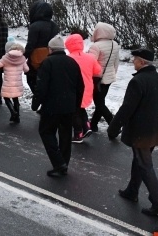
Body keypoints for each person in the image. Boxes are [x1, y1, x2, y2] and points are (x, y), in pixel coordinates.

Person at [108, 47, 158, 216]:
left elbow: (127, 108)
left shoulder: (138, 82)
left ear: (142, 62)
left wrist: (113, 127)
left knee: (145, 165)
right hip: (154, 129)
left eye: (135, 59)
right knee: (140, 161)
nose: (133, 61)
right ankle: (132, 191)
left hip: (140, 131)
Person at [33, 35, 84, 176]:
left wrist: (36, 103)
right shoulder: (72, 63)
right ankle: (64, 164)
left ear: (50, 49)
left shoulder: (47, 63)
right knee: (66, 135)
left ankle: (58, 162)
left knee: (46, 132)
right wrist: (77, 106)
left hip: (51, 106)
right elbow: (81, 86)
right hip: (69, 106)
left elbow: (41, 87)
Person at [65, 33, 102, 143]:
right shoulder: (89, 57)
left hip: (74, 88)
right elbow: (98, 71)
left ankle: (78, 134)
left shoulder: (69, 59)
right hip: (87, 87)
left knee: (75, 111)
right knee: (81, 108)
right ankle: (87, 127)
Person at [88, 22, 121, 132]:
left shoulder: (96, 46)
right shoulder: (115, 45)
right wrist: (112, 74)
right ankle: (93, 125)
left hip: (97, 78)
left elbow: (90, 63)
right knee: (100, 101)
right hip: (109, 78)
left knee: (99, 103)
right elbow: (116, 62)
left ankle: (113, 125)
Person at [24, 0, 59, 97]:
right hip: (51, 56)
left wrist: (24, 56)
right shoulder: (54, 25)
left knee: (31, 79)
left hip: (36, 59)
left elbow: (31, 44)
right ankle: (47, 100)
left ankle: (42, 100)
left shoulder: (34, 26)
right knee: (47, 80)